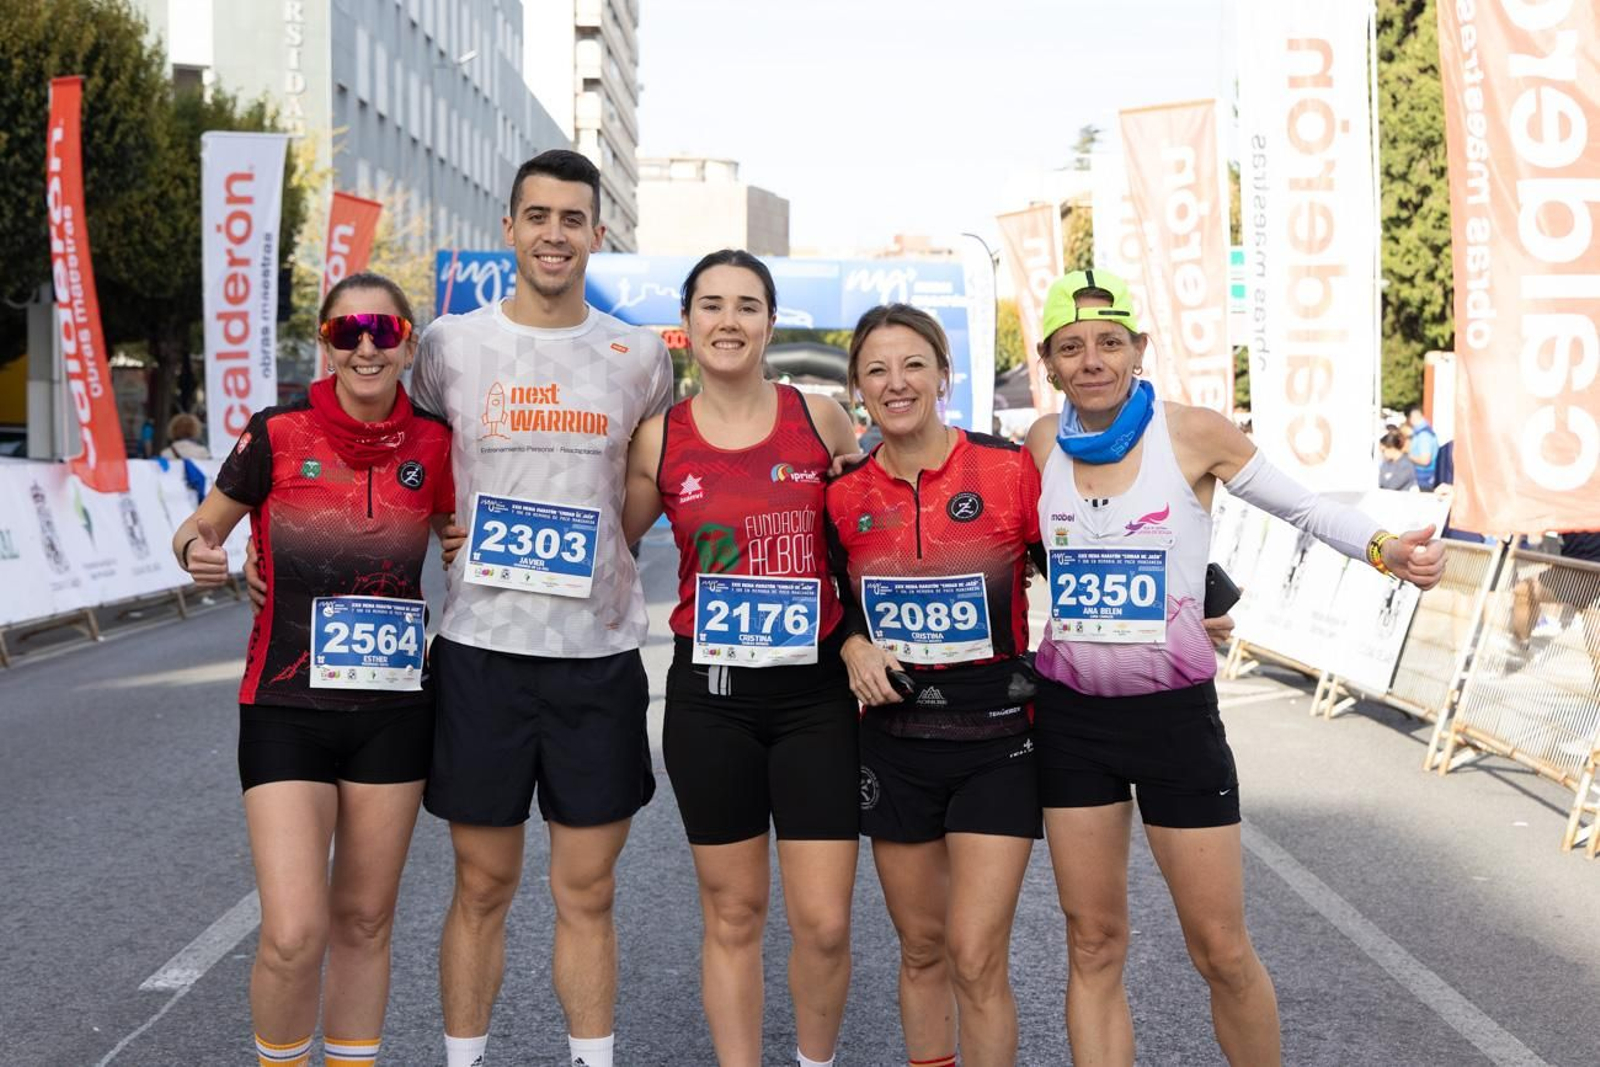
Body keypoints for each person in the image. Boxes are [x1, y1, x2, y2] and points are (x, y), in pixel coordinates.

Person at [1024, 270, 1444, 1066]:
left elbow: (1305, 507)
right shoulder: (1042, 442)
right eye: (1071, 347)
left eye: (1109, 342)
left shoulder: (1195, 433)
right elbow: (1040, 556)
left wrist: (1388, 551)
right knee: (1092, 941)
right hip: (1072, 720)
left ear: (1139, 349)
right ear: (1048, 362)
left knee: (1219, 947)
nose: (1092, 361)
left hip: (1174, 721)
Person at [415, 149, 674, 1067]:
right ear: (509, 229)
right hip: (480, 647)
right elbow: (407, 456)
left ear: (597, 235)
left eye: (572, 219)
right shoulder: (448, 345)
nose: (554, 234)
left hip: (596, 655)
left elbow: (644, 480)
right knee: (481, 883)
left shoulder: (638, 354)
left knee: (588, 889)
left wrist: (610, 543)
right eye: (538, 216)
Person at [172, 271, 454, 1067]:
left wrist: (464, 541)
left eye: (383, 331)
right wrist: (201, 553)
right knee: (294, 930)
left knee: (365, 919)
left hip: (394, 712)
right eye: (345, 332)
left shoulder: (437, 441)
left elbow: (460, 526)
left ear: (407, 342)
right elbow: (200, 528)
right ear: (325, 343)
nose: (366, 346)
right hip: (286, 705)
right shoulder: (275, 433)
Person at [615, 250, 860, 1067]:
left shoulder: (820, 419)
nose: (729, 321)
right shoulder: (661, 435)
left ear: (770, 320)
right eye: (712, 305)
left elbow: (875, 532)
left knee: (824, 921)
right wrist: (456, 526)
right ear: (685, 323)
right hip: (710, 700)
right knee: (734, 913)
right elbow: (609, 543)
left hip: (816, 698)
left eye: (747, 306)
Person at [826, 304, 1043, 1067]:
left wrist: (1193, 601)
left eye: (913, 363)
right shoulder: (843, 494)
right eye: (877, 368)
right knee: (921, 948)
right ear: (858, 386)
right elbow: (829, 604)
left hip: (998, 742)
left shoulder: (1009, 470)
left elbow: (1085, 552)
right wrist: (852, 641)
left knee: (975, 953)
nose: (896, 382)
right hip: (893, 744)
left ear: (942, 375)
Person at [1406, 405, 1440, 491]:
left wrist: (1410, 456)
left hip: (1425, 480)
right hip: (1423, 479)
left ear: (1411, 417)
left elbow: (1425, 460)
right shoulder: (1421, 433)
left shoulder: (1424, 435)